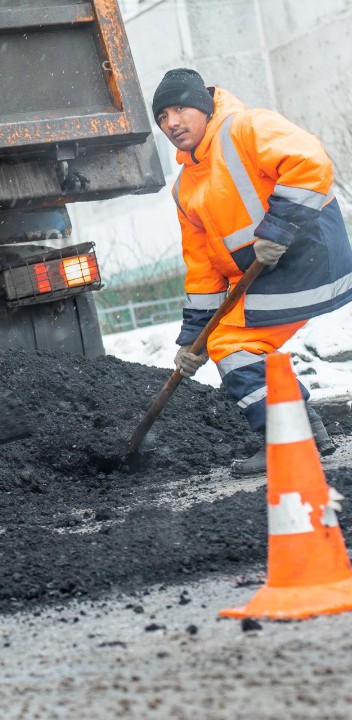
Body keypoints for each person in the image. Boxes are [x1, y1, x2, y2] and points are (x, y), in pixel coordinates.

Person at [152, 68, 352, 476]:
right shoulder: (184, 187)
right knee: (231, 343)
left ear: (204, 106)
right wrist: (194, 339)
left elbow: (310, 163)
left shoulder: (246, 126)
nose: (172, 123)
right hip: (269, 276)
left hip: (307, 256)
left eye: (179, 109)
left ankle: (290, 440)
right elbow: (203, 269)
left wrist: (278, 229)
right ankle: (303, 431)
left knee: (233, 345)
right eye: (162, 117)